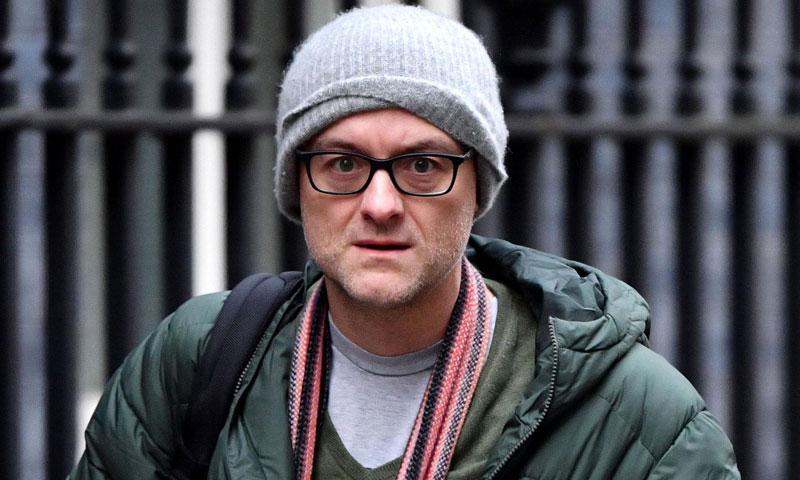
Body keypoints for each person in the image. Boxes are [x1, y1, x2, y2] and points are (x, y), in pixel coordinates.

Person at [70, 5, 739, 479]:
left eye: (422, 165)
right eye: (342, 164)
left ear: (478, 187)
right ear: (296, 185)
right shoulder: (197, 361)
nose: (381, 205)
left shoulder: (640, 422)